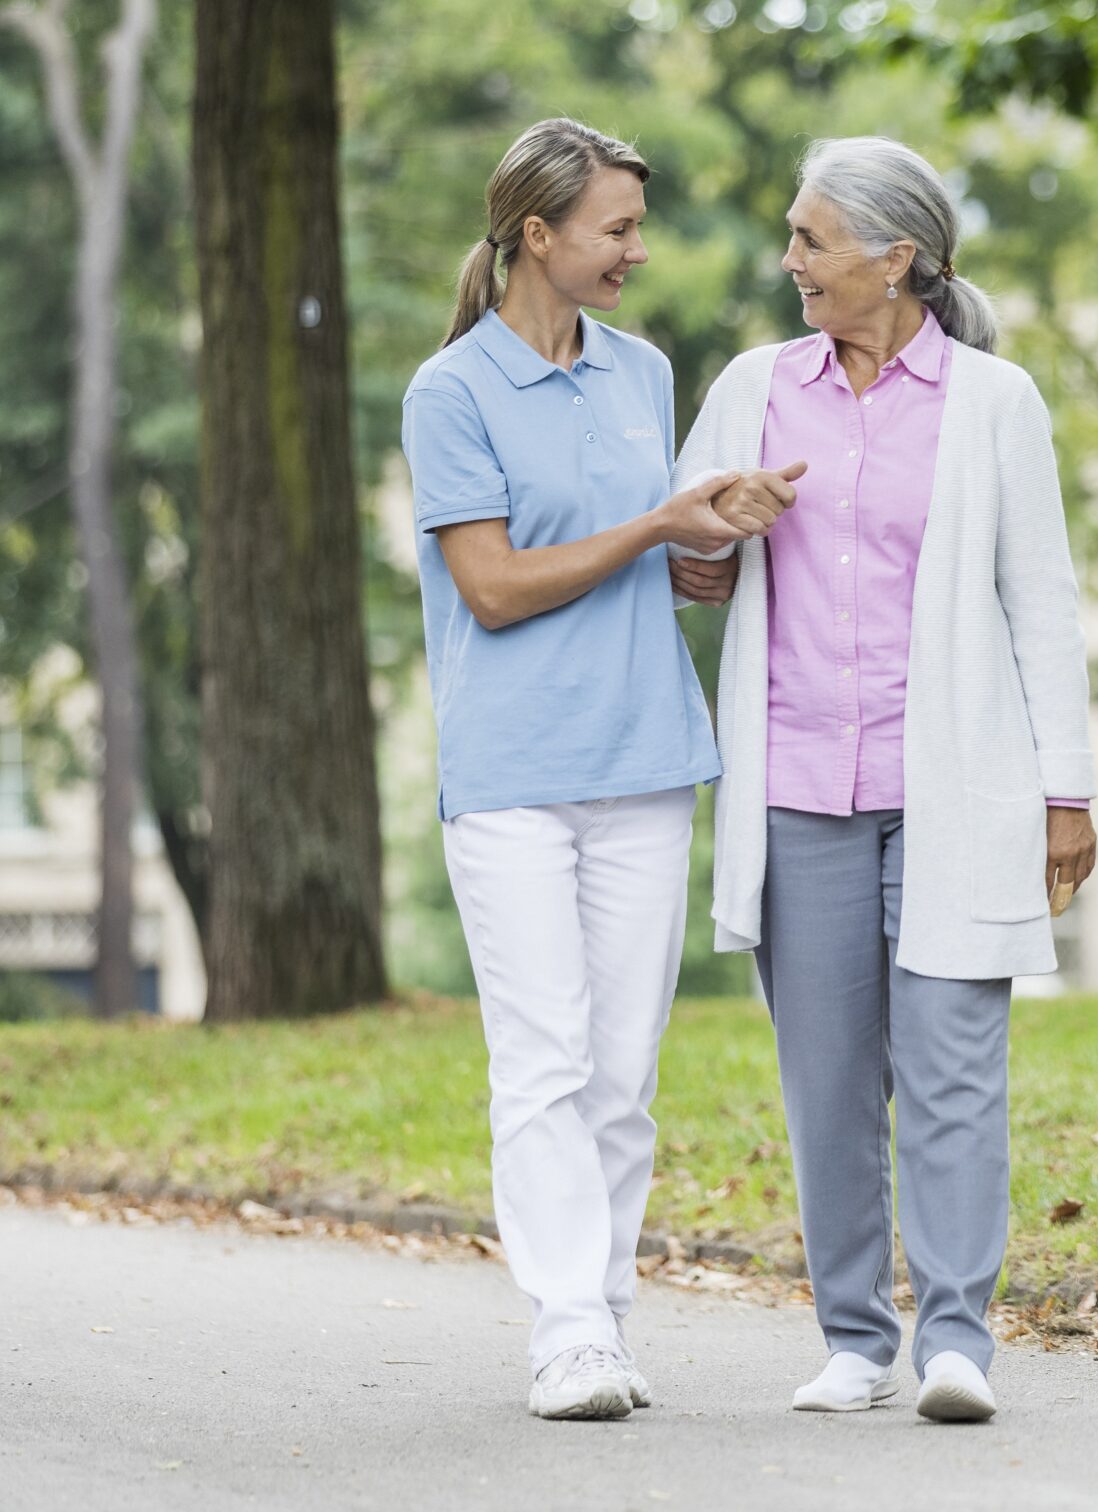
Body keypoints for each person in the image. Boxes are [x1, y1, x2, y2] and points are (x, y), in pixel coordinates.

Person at [672, 135, 1098, 1423]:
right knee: (828, 1075)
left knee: (955, 1061)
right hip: (797, 781)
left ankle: (957, 1337)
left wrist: (1065, 793)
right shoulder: (754, 387)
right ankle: (856, 1338)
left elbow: (1045, 605)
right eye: (794, 237)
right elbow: (688, 566)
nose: (789, 260)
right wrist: (712, 534)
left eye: (811, 238)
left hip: (955, 784)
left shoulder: (993, 402)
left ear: (893, 256)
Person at [400, 117, 782, 1421]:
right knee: (545, 1060)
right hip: (513, 770)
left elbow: (669, 569)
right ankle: (564, 1331)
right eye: (615, 228)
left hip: (643, 754)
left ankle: (602, 1319)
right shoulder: (450, 392)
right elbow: (494, 588)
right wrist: (654, 527)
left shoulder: (642, 375)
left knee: (624, 1072)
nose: (636, 249)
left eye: (635, 224)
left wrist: (718, 535)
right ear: (536, 233)